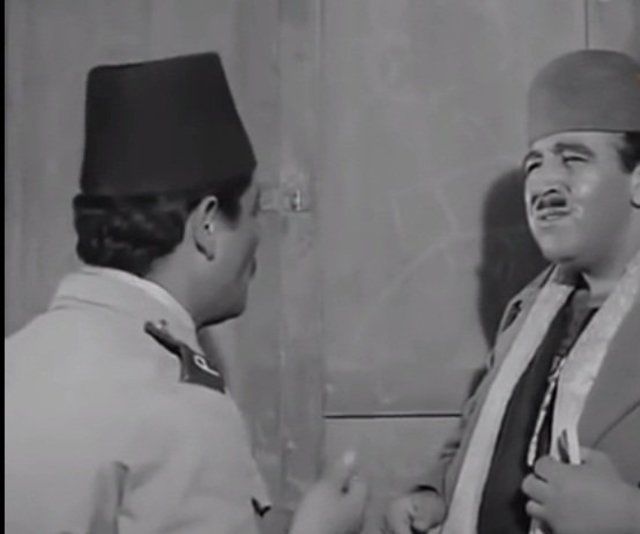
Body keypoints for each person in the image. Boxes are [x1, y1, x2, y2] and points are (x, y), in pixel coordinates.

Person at [5, 53, 367, 534]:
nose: (259, 235)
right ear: (207, 226)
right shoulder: (177, 402)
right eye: (255, 211)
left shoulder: (19, 359)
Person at [384, 49, 640, 534]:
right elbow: (479, 435)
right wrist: (433, 495)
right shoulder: (529, 311)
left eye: (573, 159)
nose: (544, 183)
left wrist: (631, 520)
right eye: (534, 164)